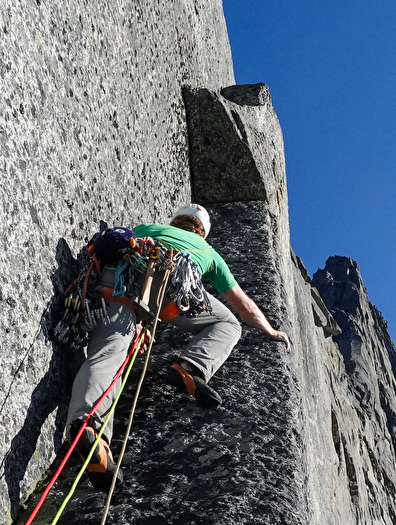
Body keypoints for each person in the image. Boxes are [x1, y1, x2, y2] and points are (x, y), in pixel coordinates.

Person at [65, 203, 290, 486]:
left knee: (108, 357)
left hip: (113, 285)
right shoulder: (207, 252)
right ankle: (189, 367)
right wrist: (271, 330)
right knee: (229, 324)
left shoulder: (148, 229)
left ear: (175, 221)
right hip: (170, 288)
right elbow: (243, 307)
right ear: (202, 233)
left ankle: (89, 428)